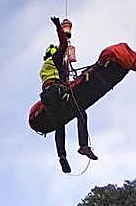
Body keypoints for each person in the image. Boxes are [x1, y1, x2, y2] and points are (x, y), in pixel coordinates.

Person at [39, 16, 96, 173]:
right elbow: (63, 44)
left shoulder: (45, 67)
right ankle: (83, 146)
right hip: (57, 92)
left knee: (59, 126)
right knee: (81, 113)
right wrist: (59, 27)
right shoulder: (56, 59)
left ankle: (62, 158)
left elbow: (60, 77)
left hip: (47, 96)